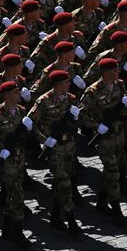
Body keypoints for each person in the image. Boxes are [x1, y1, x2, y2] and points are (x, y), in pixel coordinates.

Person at [27, 70, 83, 237]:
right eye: (66, 81)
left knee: (62, 182)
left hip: (70, 147)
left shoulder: (71, 99)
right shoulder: (43, 101)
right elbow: (30, 124)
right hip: (55, 149)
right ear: (58, 84)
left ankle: (54, 216)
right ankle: (71, 220)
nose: (69, 84)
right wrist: (44, 140)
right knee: (65, 184)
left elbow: (78, 120)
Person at [0, 81, 33, 247]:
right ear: (8, 96)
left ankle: (7, 228)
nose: (19, 95)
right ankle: (17, 231)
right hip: (6, 161)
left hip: (20, 159)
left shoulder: (21, 110)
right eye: (16, 92)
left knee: (13, 195)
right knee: (17, 195)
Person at [79, 58, 127, 225]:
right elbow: (82, 114)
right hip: (104, 139)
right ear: (106, 73)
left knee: (111, 171)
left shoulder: (120, 85)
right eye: (115, 70)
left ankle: (101, 202)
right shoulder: (93, 91)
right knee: (113, 171)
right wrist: (97, 126)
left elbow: (126, 105)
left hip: (120, 136)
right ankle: (116, 209)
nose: (118, 72)